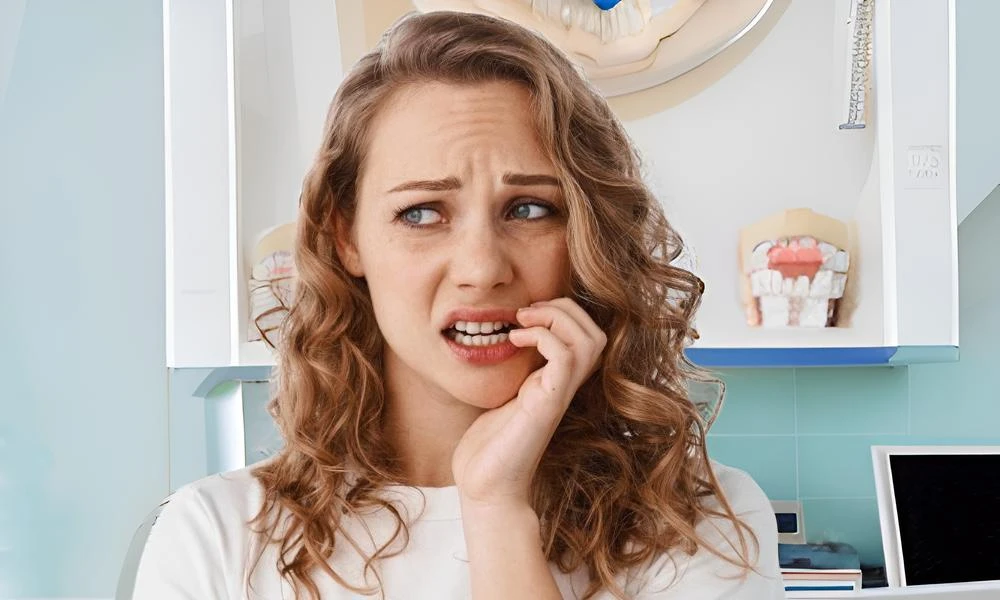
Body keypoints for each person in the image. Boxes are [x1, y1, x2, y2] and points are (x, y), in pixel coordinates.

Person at [133, 10, 783, 600]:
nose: (481, 268)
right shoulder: (214, 540)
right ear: (345, 235)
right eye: (422, 213)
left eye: (530, 209)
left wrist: (496, 508)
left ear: (588, 232)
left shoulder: (696, 524)